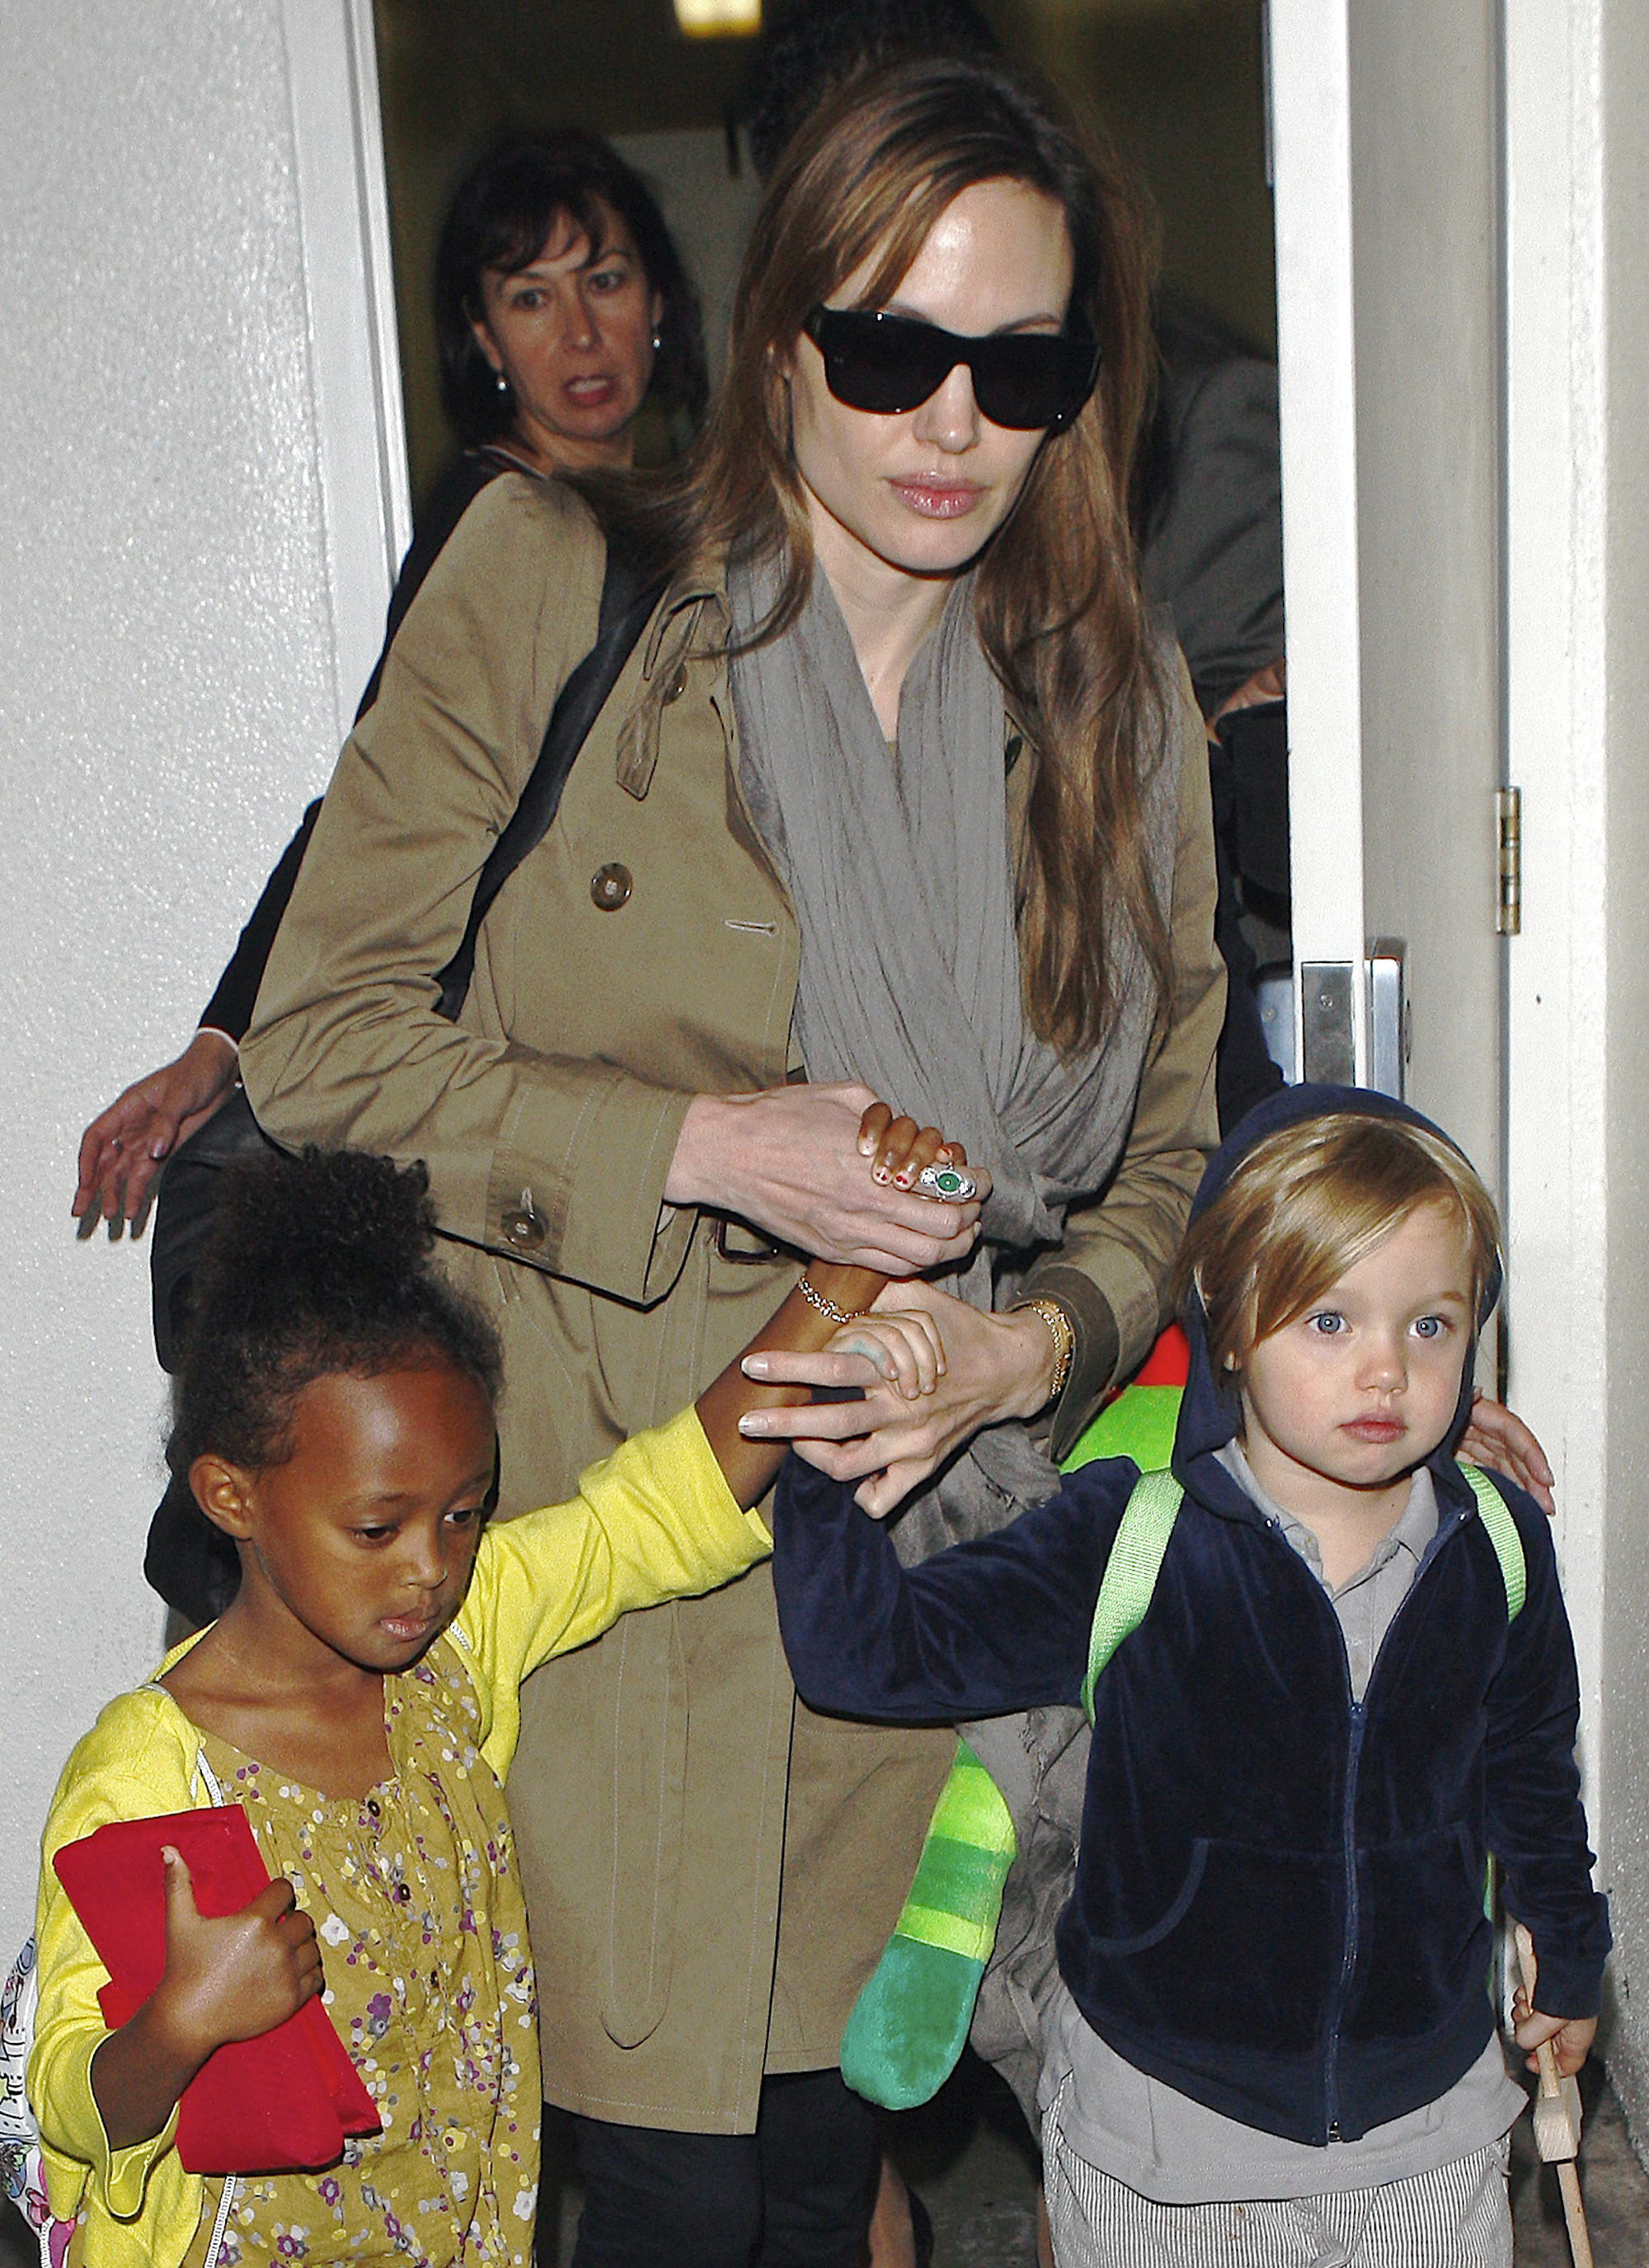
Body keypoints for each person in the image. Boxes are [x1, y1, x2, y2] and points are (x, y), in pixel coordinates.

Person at [233, 49, 1230, 2267]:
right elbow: (315, 1050)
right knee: (672, 2204)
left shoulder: (1115, 708)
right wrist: (706, 1143)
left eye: (1020, 362)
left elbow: (1172, 1158)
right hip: (639, 1592)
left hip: (946, 1610)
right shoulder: (564, 583)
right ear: (781, 331)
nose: (955, 422)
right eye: (894, 351)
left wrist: (1031, 1344)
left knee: (831, 2182)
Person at [28, 1113, 962, 2268]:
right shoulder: (148, 1769)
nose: (431, 1563)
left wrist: (845, 1275)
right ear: (230, 1495)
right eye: (378, 1526)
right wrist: (177, 2025)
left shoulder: (457, 1650)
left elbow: (655, 1508)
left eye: (463, 1512)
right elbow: (66, 2103)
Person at [766, 1084, 1610, 2268]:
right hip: (1170, 2146)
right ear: (1224, 1319)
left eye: (1430, 1325)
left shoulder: (1499, 1546)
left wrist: (1569, 1954)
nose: (1385, 1372)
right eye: (1329, 1321)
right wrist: (823, 1442)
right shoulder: (1135, 1537)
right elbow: (868, 1653)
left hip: (1433, 2133)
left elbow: (1531, 1770)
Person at [70, 128, 706, 1237]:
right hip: (503, 1051)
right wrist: (223, 1043)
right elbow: (376, 804)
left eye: (604, 280)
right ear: (482, 335)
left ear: (658, 298)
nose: (582, 332)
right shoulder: (495, 516)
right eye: (530, 296)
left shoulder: (685, 513)